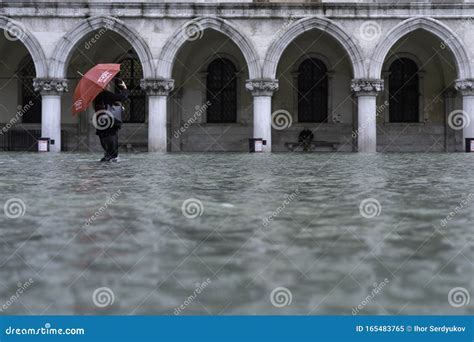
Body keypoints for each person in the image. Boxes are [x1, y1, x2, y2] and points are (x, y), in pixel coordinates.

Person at [94, 78, 128, 162]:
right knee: (112, 143)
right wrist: (125, 88)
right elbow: (122, 97)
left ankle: (108, 156)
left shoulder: (96, 96)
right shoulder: (105, 94)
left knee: (106, 141)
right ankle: (111, 157)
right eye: (107, 84)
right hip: (109, 123)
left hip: (101, 123)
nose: (109, 85)